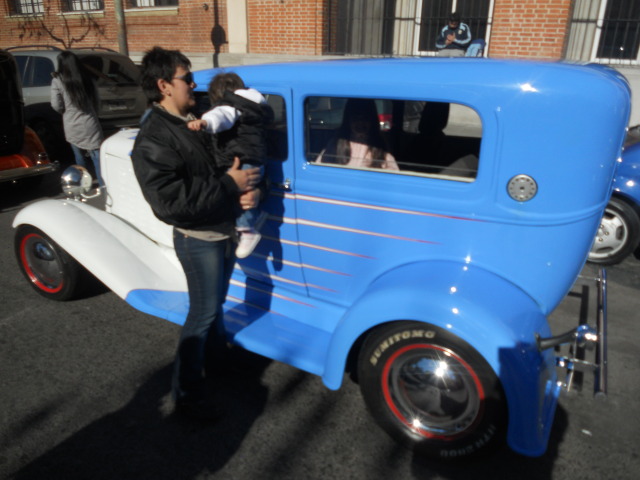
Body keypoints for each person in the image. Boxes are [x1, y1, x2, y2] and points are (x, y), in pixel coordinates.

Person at [131, 47, 261, 420]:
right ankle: (186, 398)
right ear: (163, 86)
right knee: (202, 314)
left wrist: (243, 187)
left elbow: (223, 160)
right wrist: (228, 184)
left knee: (214, 306)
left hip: (222, 231)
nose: (193, 84)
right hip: (197, 239)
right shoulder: (154, 137)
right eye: (186, 79)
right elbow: (169, 203)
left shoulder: (192, 119)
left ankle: (217, 364)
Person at [188, 72, 273, 258]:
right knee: (243, 191)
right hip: (256, 157)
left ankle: (246, 230)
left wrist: (205, 122)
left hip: (240, 158)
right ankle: (254, 218)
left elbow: (220, 116)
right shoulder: (255, 108)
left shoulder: (230, 106)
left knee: (238, 191)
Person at [51, 50, 104, 186]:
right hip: (91, 123)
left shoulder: (58, 80)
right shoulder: (88, 79)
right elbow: (97, 102)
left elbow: (56, 105)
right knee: (98, 160)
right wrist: (94, 115)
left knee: (79, 159)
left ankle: (84, 186)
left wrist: (65, 111)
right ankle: (105, 188)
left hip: (72, 124)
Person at [316, 98, 399, 170]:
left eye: (365, 118)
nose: (360, 123)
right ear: (348, 120)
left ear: (372, 121)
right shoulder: (336, 144)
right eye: (356, 118)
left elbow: (393, 176)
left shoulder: (380, 147)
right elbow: (320, 169)